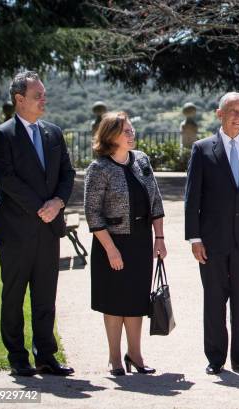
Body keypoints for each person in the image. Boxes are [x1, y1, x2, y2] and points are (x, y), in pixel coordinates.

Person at [0, 71, 76, 376]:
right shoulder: (3, 135)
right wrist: (42, 207)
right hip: (16, 232)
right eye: (38, 95)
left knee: (45, 296)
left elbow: (68, 174)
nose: (43, 100)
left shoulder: (53, 133)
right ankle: (17, 357)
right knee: (13, 296)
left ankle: (46, 356)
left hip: (48, 230)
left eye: (44, 94)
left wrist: (58, 203)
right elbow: (7, 179)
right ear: (19, 99)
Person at [185, 92, 239, 375]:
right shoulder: (202, 149)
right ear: (219, 114)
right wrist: (194, 238)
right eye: (233, 111)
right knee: (214, 299)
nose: (238, 117)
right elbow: (192, 198)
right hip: (211, 241)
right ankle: (215, 358)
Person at [84, 111, 166, 376]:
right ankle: (115, 358)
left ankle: (136, 355)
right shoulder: (99, 168)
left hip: (141, 241)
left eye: (132, 130)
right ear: (111, 136)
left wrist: (160, 238)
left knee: (136, 302)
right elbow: (92, 213)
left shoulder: (141, 160)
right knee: (114, 302)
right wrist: (111, 250)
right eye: (126, 132)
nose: (132, 135)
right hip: (111, 243)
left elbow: (155, 202)